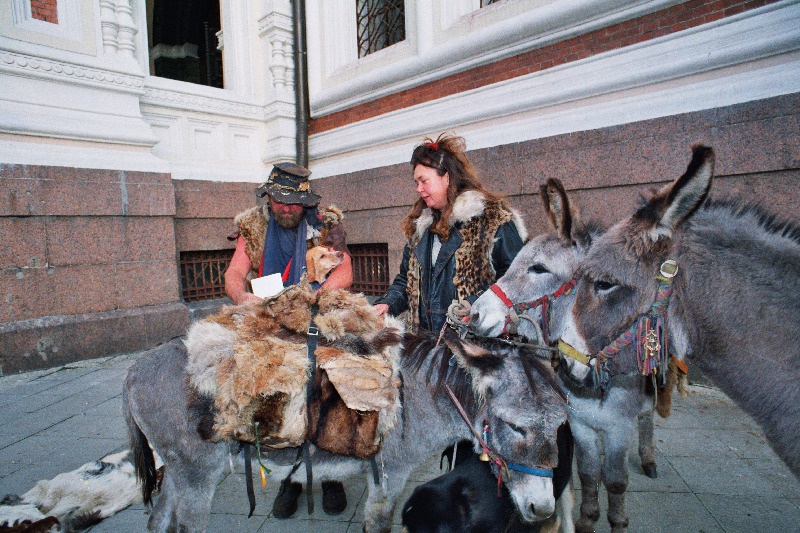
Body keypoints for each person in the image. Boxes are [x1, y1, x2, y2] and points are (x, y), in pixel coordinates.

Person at [223, 161, 352, 517]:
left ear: (305, 202)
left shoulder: (324, 223)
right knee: (279, 399)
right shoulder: (254, 224)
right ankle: (290, 479)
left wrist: (313, 295)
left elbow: (345, 270)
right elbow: (235, 272)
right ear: (269, 197)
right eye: (279, 201)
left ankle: (331, 476)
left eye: (294, 203)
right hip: (272, 325)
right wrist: (241, 297)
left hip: (315, 320)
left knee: (324, 396)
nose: (286, 208)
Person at [374, 133, 526, 333]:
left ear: (446, 177)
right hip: (429, 347)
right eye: (416, 183)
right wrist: (388, 304)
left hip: (474, 349)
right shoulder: (421, 229)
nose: (419, 189)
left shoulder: (493, 220)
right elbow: (406, 280)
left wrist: (475, 304)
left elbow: (518, 277)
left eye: (424, 181)